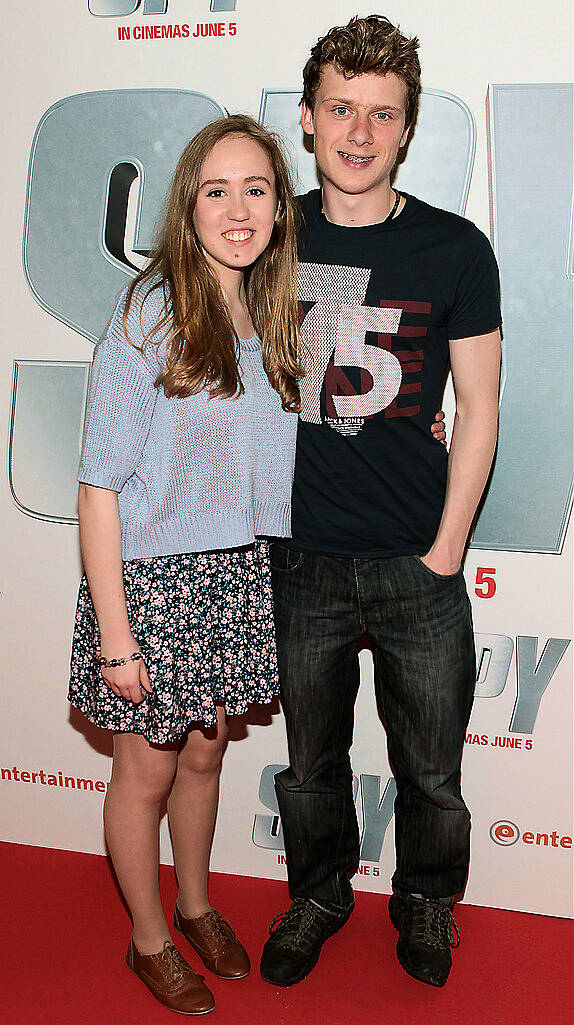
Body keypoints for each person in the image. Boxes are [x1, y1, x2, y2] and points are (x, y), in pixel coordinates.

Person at [260, 15, 502, 990]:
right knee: (311, 766)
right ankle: (317, 894)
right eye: (341, 109)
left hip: (417, 561)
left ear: (405, 130)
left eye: (382, 114)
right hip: (301, 560)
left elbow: (480, 409)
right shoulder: (266, 241)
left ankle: (425, 901)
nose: (359, 131)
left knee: (431, 773)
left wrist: (445, 550)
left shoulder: (454, 248)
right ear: (309, 121)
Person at [68, 114, 302, 1015]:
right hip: (153, 584)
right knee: (148, 770)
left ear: (279, 207)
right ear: (187, 207)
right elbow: (98, 488)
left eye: (255, 189)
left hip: (238, 573)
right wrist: (118, 640)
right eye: (217, 190)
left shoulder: (271, 312)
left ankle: (197, 904)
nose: (237, 209)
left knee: (204, 757)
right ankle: (149, 937)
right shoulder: (149, 313)